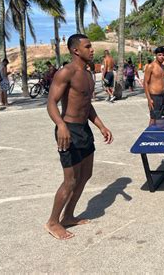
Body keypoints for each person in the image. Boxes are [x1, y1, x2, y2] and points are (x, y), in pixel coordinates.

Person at [45, 33, 113, 240]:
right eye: (88, 46)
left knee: (86, 175)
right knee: (70, 181)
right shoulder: (66, 72)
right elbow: (51, 102)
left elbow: (86, 104)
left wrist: (101, 126)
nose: (92, 50)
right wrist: (60, 125)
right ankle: (53, 222)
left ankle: (68, 216)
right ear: (75, 50)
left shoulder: (89, 73)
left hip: (84, 129)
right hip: (68, 130)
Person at [143, 47, 164, 125]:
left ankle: (158, 135)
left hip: (162, 96)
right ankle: (149, 136)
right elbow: (145, 83)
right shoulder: (150, 66)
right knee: (153, 119)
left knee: (160, 118)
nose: (161, 57)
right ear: (155, 55)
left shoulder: (163, 67)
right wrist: (149, 99)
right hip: (154, 96)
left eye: (163, 55)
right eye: (159, 55)